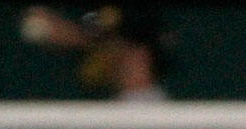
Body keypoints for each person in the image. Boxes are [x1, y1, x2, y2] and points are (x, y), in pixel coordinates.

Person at [20, 4, 168, 102]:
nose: (100, 51)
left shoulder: (146, 112)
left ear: (140, 53)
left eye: (108, 41)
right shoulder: (125, 106)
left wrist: (78, 37)